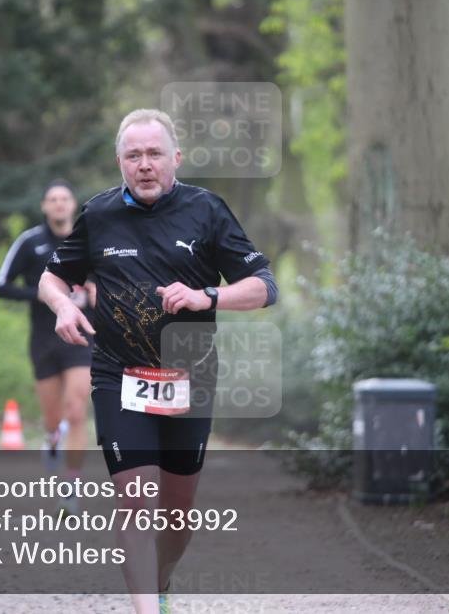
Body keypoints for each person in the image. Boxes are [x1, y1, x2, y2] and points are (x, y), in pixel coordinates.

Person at [38, 109, 278, 614]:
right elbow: (52, 277)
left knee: (176, 515)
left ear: (176, 159)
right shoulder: (99, 214)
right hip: (117, 373)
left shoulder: (208, 211)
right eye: (133, 156)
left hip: (189, 376)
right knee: (134, 502)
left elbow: (263, 287)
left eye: (154, 154)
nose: (144, 165)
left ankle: (162, 581)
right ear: (120, 162)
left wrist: (206, 296)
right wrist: (62, 305)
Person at [0, 179, 95, 514]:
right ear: (44, 207)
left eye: (64, 198)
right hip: (44, 340)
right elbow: (2, 286)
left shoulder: (90, 240)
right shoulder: (30, 242)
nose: (58, 204)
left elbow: (114, 277)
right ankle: (52, 438)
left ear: (73, 204)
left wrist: (98, 290)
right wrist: (40, 295)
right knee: (54, 419)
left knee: (77, 410)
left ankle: (70, 486)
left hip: (82, 338)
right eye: (52, 199)